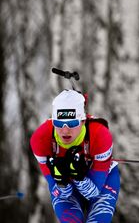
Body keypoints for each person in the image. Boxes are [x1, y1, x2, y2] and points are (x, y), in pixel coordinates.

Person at [30, 89, 120, 222]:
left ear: (83, 121)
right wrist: (62, 182)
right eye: (59, 124)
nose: (65, 130)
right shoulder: (40, 139)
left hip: (102, 183)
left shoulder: (100, 135)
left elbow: (93, 193)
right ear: (53, 121)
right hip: (67, 192)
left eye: (72, 123)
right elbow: (58, 193)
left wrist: (79, 178)